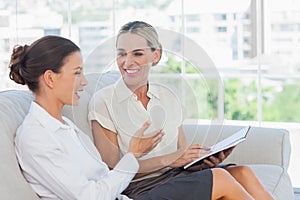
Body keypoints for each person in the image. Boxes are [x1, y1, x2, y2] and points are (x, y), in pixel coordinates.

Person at [88, 21, 273, 200]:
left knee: (242, 172)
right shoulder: (104, 100)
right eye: (121, 54)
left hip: (175, 178)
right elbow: (111, 170)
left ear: (155, 56)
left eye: (137, 54)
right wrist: (169, 160)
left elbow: (181, 156)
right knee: (220, 178)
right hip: (140, 187)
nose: (127, 62)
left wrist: (200, 162)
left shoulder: (168, 97)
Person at [11, 35, 164, 200]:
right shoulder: (35, 137)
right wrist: (133, 154)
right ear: (50, 78)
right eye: (77, 73)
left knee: (194, 178)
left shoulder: (66, 126)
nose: (84, 82)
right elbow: (91, 197)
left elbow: (103, 178)